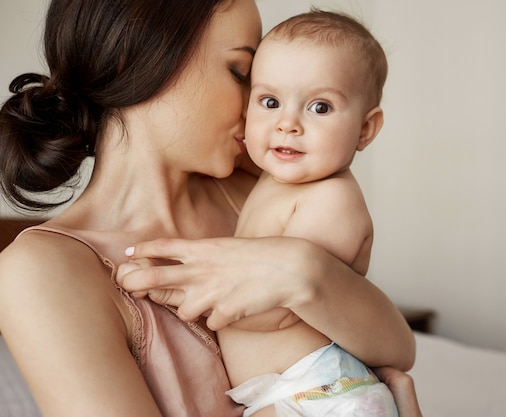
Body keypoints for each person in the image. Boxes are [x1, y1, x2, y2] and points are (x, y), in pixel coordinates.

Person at [0, 1, 420, 417]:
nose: (255, 109)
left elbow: (400, 349)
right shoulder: (41, 269)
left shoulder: (260, 190)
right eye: (243, 74)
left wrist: (305, 270)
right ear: (141, 58)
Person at [209, 9, 396, 417]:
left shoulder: (332, 200)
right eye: (270, 101)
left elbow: (276, 308)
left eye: (320, 107)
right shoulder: (269, 179)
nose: (287, 124)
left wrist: (194, 296)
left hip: (322, 392)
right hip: (289, 389)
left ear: (365, 130)